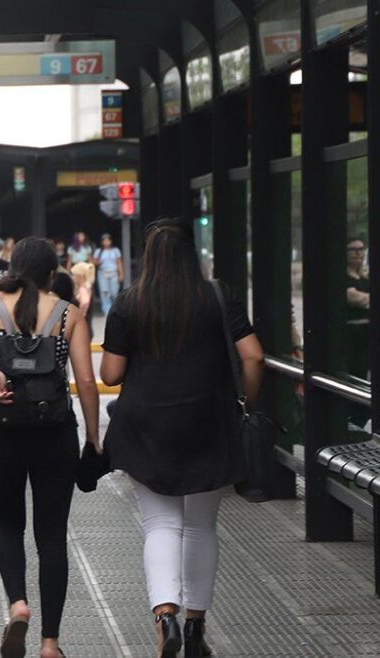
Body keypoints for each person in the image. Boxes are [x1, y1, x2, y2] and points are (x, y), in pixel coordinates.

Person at [100, 219, 264, 658]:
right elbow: (254, 356)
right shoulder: (216, 295)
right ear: (192, 255)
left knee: (160, 524)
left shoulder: (129, 302)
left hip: (146, 426)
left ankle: (164, 617)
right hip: (208, 420)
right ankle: (195, 627)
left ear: (147, 259)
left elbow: (111, 373)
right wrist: (245, 399)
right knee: (201, 525)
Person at [0, 237, 99, 658]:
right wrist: (93, 435)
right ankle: (50, 643)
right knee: (52, 536)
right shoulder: (69, 315)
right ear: (53, 272)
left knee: (7, 526)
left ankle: (18, 604)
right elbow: (87, 383)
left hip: (1, 431)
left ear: (15, 266)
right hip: (54, 433)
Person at [346, 237, 370, 383]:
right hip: (351, 335)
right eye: (354, 250)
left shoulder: (365, 278)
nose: (358, 253)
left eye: (361, 249)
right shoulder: (343, 277)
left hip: (367, 334)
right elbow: (354, 298)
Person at [93, 233, 124, 316]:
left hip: (114, 272)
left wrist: (121, 273)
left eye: (108, 240)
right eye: (104, 241)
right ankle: (107, 311)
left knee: (114, 292)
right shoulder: (98, 251)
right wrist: (98, 262)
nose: (106, 242)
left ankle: (115, 308)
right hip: (102, 273)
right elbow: (94, 262)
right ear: (102, 242)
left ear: (111, 241)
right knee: (105, 293)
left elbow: (119, 262)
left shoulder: (116, 250)